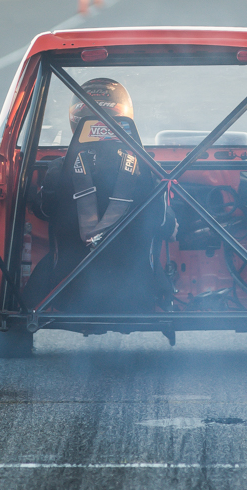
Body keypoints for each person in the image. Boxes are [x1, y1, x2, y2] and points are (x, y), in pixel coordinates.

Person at [24, 78, 177, 314]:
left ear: (75, 120)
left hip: (67, 295)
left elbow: (43, 211)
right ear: (125, 116)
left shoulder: (59, 171)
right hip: (137, 297)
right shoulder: (147, 173)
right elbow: (166, 227)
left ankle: (24, 310)